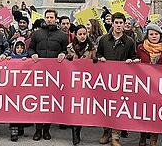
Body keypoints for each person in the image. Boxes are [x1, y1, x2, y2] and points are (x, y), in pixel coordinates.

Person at [96, 12, 138, 146]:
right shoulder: (103, 39)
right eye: (116, 23)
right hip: (106, 78)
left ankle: (115, 136)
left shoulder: (130, 41)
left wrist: (132, 60)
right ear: (112, 24)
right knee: (106, 107)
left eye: (121, 23)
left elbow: (133, 56)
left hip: (121, 79)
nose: (119, 25)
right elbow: (98, 54)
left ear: (124, 24)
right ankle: (106, 131)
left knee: (119, 107)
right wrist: (100, 58)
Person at [28, 9, 69, 141]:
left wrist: (63, 54)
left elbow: (65, 49)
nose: (49, 19)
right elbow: (31, 48)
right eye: (47, 17)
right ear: (44, 18)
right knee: (39, 102)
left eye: (52, 17)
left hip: (54, 74)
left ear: (56, 19)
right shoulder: (37, 34)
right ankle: (38, 130)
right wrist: (32, 54)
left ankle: (46, 129)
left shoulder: (62, 35)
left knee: (50, 103)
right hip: (39, 73)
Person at [136, 24, 162, 146]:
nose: (154, 36)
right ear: (147, 35)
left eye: (156, 34)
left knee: (156, 113)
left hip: (159, 86)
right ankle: (142, 136)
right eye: (151, 34)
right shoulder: (140, 48)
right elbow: (135, 60)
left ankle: (153, 139)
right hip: (144, 85)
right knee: (144, 112)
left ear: (160, 36)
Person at [65, 25, 96, 145]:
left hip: (87, 82)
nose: (83, 36)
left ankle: (79, 129)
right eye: (80, 34)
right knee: (75, 107)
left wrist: (96, 60)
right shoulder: (69, 47)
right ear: (76, 35)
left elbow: (96, 62)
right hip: (73, 82)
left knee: (82, 108)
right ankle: (75, 132)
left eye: (84, 34)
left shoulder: (92, 48)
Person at [9, 38, 29, 142]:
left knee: (22, 107)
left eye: (21, 47)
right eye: (17, 47)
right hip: (12, 88)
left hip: (24, 88)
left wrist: (28, 61)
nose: (19, 49)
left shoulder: (27, 59)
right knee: (13, 107)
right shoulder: (10, 59)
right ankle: (14, 129)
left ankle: (20, 126)